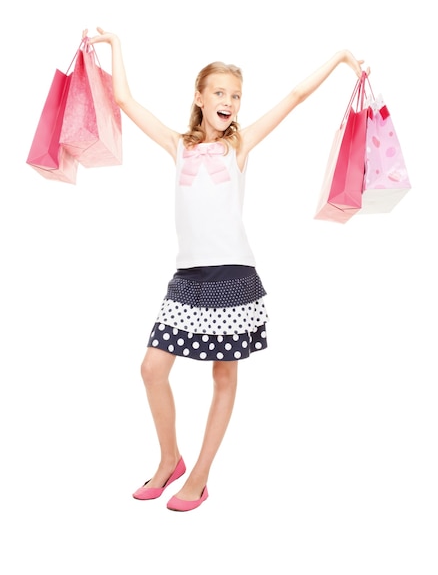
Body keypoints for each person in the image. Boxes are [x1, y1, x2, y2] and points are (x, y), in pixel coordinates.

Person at [85, 27, 367, 512]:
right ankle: (170, 457)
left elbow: (296, 97)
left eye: (235, 95)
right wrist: (115, 46)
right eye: (219, 92)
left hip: (234, 276)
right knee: (152, 368)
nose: (229, 101)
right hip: (188, 279)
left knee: (223, 376)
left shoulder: (241, 145)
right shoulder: (178, 146)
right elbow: (126, 102)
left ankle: (199, 475)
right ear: (199, 97)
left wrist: (341, 56)